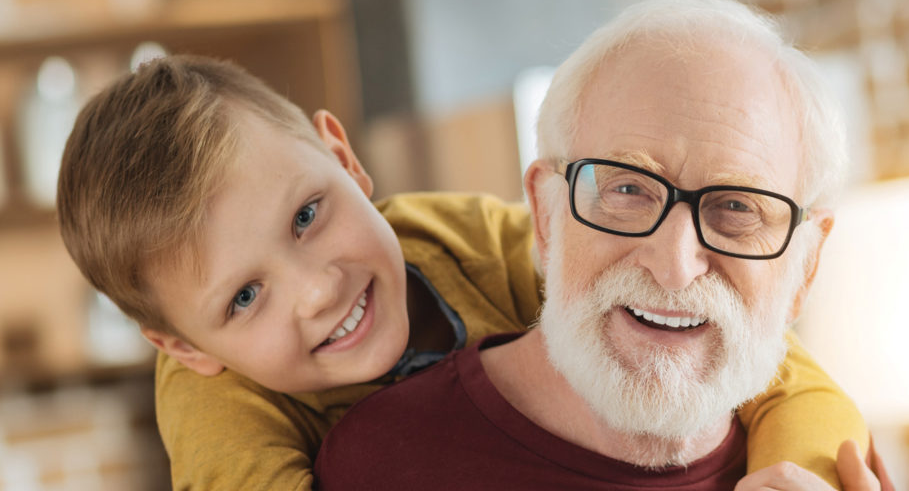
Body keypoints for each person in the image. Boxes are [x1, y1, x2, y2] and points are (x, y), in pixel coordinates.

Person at [57, 53, 868, 491]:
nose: (316, 288)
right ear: (183, 345)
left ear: (344, 157)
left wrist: (792, 477)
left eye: (307, 215)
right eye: (243, 297)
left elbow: (778, 372)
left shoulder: (471, 239)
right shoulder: (214, 404)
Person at [314, 0, 892, 490]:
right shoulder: (384, 464)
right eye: (627, 189)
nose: (674, 264)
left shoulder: (836, 471)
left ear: (806, 266)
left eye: (737, 207)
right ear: (545, 213)